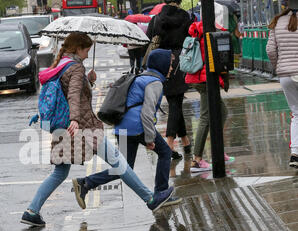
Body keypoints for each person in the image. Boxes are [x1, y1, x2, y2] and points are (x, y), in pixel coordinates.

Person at [20, 32, 175, 228]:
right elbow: (74, 95)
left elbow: (59, 95)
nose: (87, 55)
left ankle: (32, 211)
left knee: (60, 172)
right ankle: (150, 199)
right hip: (83, 127)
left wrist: (89, 81)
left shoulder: (61, 65)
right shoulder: (75, 67)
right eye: (86, 50)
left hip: (65, 126)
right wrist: (75, 119)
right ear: (78, 49)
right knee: (120, 164)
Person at [73, 49, 182, 209]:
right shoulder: (155, 83)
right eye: (170, 65)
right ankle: (160, 192)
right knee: (165, 152)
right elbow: (146, 113)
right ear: (162, 65)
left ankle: (86, 183)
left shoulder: (142, 77)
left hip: (122, 125)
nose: (172, 68)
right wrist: (149, 139)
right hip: (137, 127)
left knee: (125, 168)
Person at [184, 21, 234, 173]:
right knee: (206, 117)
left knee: (222, 112)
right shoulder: (212, 35)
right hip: (205, 80)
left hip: (197, 77)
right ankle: (197, 159)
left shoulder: (197, 33)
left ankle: (217, 150)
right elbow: (221, 58)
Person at [146, 0, 193, 160]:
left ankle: (186, 142)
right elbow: (191, 39)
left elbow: (148, 39)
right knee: (175, 102)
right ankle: (169, 143)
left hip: (163, 61)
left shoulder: (157, 18)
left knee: (175, 100)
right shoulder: (186, 17)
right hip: (181, 61)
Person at [266, 1, 298, 168]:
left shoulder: (277, 21)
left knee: (296, 113)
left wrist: (279, 65)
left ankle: (295, 153)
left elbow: (270, 50)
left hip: (285, 75)